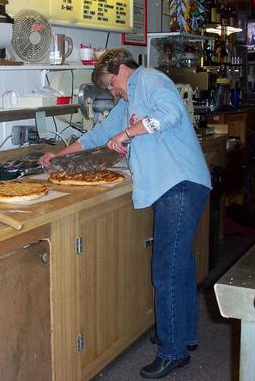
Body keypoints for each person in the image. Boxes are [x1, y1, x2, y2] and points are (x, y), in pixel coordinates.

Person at [39, 48, 211, 379]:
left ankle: (173, 350)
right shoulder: (131, 99)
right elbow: (98, 135)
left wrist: (128, 133)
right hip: (177, 185)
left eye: (111, 83)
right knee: (179, 266)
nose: (112, 91)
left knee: (166, 270)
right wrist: (59, 155)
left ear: (121, 69)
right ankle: (181, 334)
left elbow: (170, 113)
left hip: (180, 184)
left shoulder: (149, 80)